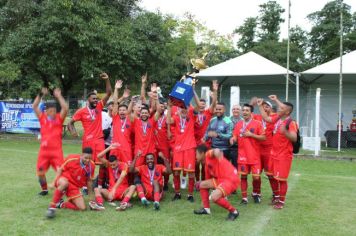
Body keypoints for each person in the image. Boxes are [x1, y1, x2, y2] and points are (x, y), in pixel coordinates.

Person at [257, 95, 297, 209]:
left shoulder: (291, 122)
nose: (279, 108)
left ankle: (281, 202)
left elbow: (294, 138)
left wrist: (285, 132)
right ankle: (276, 195)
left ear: (287, 112)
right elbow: (266, 119)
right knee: (271, 175)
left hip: (283, 156)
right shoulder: (278, 118)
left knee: (281, 179)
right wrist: (260, 106)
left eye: (281, 108)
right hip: (273, 153)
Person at [67, 72, 112, 164]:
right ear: (88, 100)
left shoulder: (99, 106)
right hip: (88, 140)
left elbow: (109, 93)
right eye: (93, 99)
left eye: (96, 99)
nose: (96, 100)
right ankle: (88, 178)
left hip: (99, 139)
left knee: (101, 162)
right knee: (88, 163)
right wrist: (73, 132)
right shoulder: (81, 111)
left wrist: (107, 79)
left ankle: (101, 179)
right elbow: (70, 123)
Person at [32, 87, 68, 196]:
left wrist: (59, 96)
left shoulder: (59, 118)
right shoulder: (42, 118)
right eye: (51, 110)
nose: (53, 112)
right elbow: (34, 106)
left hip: (56, 152)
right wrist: (40, 94)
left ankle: (62, 188)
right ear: (46, 111)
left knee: (61, 170)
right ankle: (44, 189)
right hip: (44, 152)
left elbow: (65, 108)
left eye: (54, 110)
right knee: (40, 173)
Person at [46, 147, 96, 219]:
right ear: (81, 155)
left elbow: (89, 181)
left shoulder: (92, 166)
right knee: (64, 183)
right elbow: (60, 170)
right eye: (86, 158)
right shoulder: (71, 158)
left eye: (89, 158)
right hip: (64, 180)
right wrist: (53, 183)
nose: (88, 160)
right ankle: (52, 207)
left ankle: (61, 204)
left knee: (82, 208)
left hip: (74, 187)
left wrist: (91, 197)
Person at [230, 104, 265, 204]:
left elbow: (263, 137)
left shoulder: (257, 123)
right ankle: (244, 197)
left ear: (251, 113)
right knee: (243, 176)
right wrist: (232, 139)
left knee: (256, 177)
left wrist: (251, 135)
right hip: (242, 155)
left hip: (254, 156)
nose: (244, 112)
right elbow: (235, 136)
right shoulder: (239, 124)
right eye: (243, 110)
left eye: (247, 110)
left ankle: (255, 193)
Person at [194, 146, 240, 221]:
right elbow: (207, 182)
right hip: (221, 179)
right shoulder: (206, 166)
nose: (195, 156)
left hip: (231, 178)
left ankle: (234, 211)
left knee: (214, 197)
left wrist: (220, 157)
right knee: (201, 185)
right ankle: (206, 209)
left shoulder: (207, 155)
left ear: (202, 153)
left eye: (196, 154)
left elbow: (216, 150)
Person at [167, 95, 199, 202]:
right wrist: (168, 107)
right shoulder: (176, 118)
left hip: (189, 148)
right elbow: (168, 121)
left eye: (185, 108)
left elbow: (198, 106)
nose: (184, 110)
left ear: (188, 109)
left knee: (191, 172)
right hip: (178, 148)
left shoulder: (192, 116)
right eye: (182, 108)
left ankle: (190, 195)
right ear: (179, 109)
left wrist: (193, 92)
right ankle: (177, 193)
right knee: (176, 172)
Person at [93, 145, 136, 211]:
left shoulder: (124, 165)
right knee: (96, 189)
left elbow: (122, 177)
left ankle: (124, 203)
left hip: (123, 192)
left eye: (114, 165)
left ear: (117, 161)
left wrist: (114, 188)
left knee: (133, 187)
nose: (112, 166)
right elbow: (99, 156)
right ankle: (99, 205)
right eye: (111, 165)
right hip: (111, 193)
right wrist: (109, 148)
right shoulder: (108, 165)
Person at [253, 100, 279, 201]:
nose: (264, 108)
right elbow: (247, 115)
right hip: (257, 149)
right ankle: (256, 193)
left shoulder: (274, 117)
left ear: (271, 108)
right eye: (263, 106)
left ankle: (276, 194)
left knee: (270, 174)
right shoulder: (256, 117)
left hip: (269, 149)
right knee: (256, 174)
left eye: (267, 106)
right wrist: (253, 102)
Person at [194, 80, 218, 182]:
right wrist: (193, 89)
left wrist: (215, 91)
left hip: (205, 142)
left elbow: (214, 104)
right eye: (200, 103)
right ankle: (197, 181)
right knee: (196, 163)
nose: (202, 105)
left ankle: (203, 181)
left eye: (203, 104)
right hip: (195, 142)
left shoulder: (208, 113)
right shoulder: (193, 114)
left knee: (204, 163)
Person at [229, 104, 242, 169]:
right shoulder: (227, 119)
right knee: (226, 167)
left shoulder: (243, 121)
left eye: (237, 109)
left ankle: (234, 179)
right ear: (232, 110)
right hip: (228, 146)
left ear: (240, 111)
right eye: (234, 109)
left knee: (235, 167)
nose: (235, 110)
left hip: (238, 147)